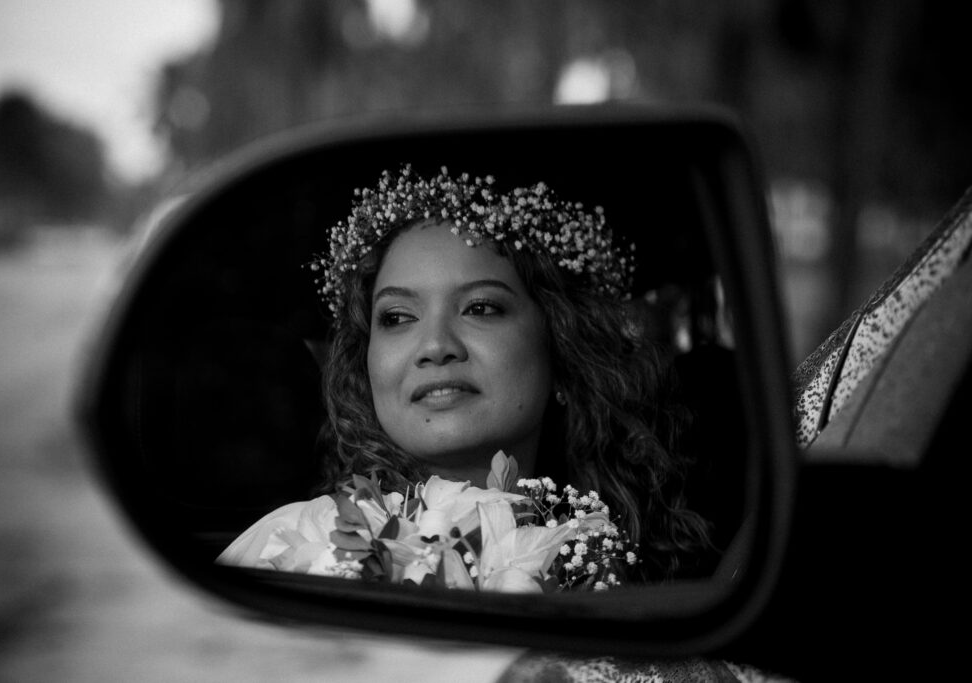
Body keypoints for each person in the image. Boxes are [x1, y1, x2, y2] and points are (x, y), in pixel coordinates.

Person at [218, 165, 714, 583]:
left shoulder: (636, 569)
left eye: (479, 307)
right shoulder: (284, 548)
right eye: (396, 318)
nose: (435, 346)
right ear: (365, 363)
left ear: (563, 348)